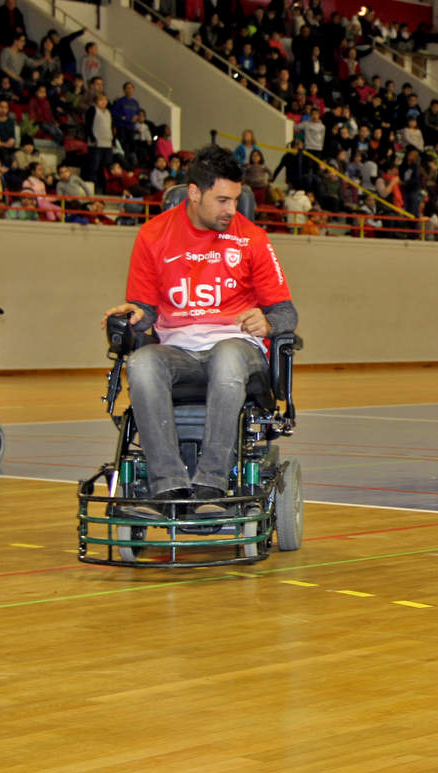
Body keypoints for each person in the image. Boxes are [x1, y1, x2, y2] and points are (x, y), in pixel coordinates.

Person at [101, 145, 297, 520]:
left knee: (226, 356)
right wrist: (133, 316)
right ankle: (167, 487)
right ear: (194, 193)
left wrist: (271, 324)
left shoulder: (252, 239)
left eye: (236, 200)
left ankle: (211, 484)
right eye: (222, 200)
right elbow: (146, 314)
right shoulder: (153, 235)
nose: (231, 210)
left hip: (238, 348)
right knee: (142, 363)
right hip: (179, 353)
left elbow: (287, 312)